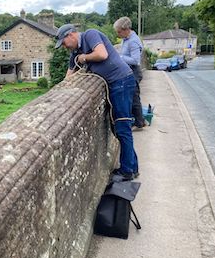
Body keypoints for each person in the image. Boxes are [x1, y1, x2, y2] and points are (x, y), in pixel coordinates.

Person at [55, 24, 138, 180]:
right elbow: (68, 78)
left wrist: (84, 58)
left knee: (122, 127)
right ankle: (133, 166)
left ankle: (127, 171)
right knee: (119, 128)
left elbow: (102, 54)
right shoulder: (75, 52)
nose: (64, 47)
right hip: (114, 85)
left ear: (71, 35)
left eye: (64, 42)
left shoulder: (90, 35)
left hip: (121, 82)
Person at [114, 16, 147, 129]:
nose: (118, 34)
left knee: (134, 98)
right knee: (131, 97)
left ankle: (139, 122)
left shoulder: (133, 41)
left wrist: (119, 57)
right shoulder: (126, 39)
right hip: (129, 71)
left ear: (126, 29)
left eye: (119, 32)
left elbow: (135, 60)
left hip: (134, 72)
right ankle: (137, 120)